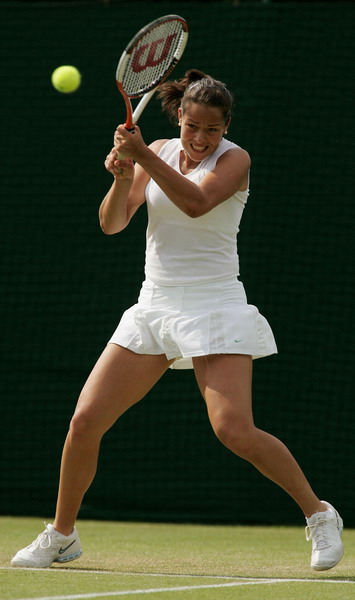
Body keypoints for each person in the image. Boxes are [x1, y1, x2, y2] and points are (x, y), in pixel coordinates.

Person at [11, 69, 343, 571]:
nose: (201, 137)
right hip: (154, 304)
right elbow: (112, 222)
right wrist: (125, 176)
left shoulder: (236, 160)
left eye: (212, 129)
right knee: (84, 421)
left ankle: (319, 514)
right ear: (179, 116)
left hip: (215, 303)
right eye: (193, 126)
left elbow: (197, 203)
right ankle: (62, 534)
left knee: (234, 429)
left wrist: (140, 155)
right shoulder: (161, 150)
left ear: (226, 125)